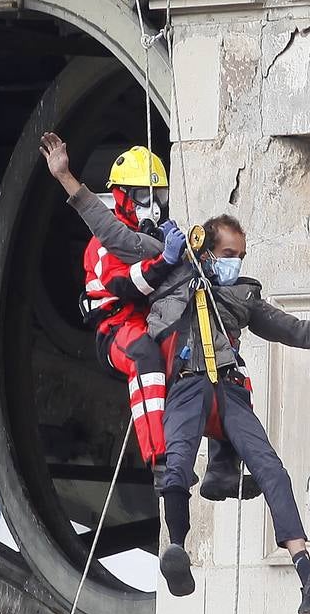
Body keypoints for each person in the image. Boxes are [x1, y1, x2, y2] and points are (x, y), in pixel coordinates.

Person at [145, 214, 310, 611]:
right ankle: (177, 549)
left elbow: (296, 330)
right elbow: (120, 241)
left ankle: (308, 577)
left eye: (241, 256)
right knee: (175, 464)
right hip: (188, 385)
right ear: (206, 250)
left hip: (228, 389)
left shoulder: (242, 297)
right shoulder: (171, 278)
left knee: (272, 470)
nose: (236, 263)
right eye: (229, 254)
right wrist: (70, 184)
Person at [39, 132, 256, 499]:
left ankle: (224, 465)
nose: (153, 206)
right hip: (118, 330)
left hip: (155, 324)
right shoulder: (105, 245)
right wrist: (166, 261)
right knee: (147, 359)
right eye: (143, 196)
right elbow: (129, 286)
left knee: (222, 365)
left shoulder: (156, 238)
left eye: (159, 197)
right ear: (123, 196)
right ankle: (162, 461)